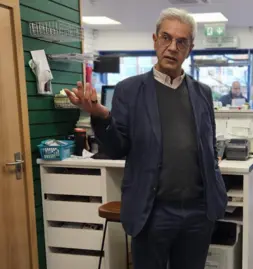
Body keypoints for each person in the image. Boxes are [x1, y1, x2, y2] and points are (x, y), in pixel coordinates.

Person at [64, 8, 227, 269]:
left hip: (198, 213)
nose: (172, 47)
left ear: (190, 48)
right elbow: (118, 148)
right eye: (166, 37)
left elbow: (208, 144)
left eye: (181, 41)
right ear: (155, 40)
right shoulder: (129, 90)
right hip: (152, 212)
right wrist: (100, 115)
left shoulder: (202, 93)